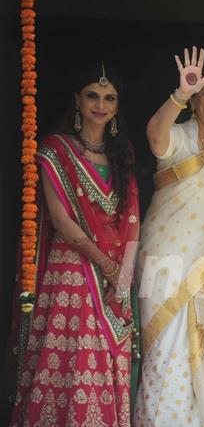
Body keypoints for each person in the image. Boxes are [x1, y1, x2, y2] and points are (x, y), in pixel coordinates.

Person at [11, 64, 140, 426]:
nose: (101, 104)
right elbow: (63, 221)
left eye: (109, 98)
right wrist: (107, 265)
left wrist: (123, 275)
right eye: (93, 96)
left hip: (115, 272)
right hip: (71, 268)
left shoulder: (122, 152)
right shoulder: (56, 150)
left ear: (117, 107)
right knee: (75, 356)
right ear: (77, 101)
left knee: (105, 357)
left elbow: (133, 219)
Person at [134, 47, 204, 426]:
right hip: (166, 266)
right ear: (196, 101)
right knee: (166, 353)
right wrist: (178, 94)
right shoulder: (179, 137)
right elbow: (155, 136)